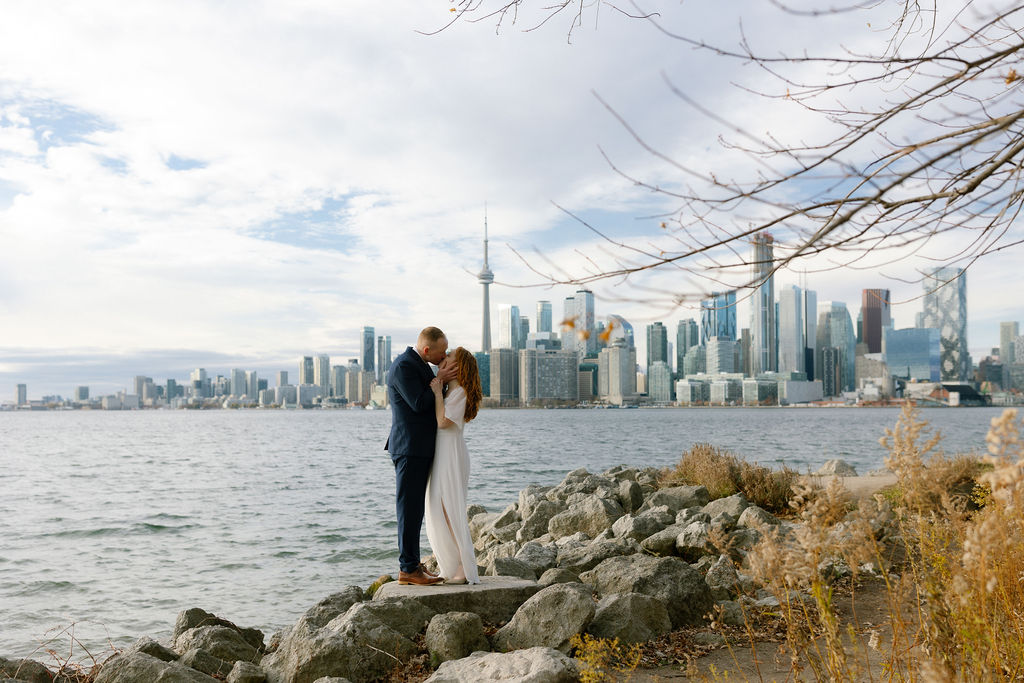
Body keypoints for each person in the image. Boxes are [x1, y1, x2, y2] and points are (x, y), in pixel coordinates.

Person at [385, 326, 456, 586]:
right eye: (442, 351)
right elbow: (418, 403)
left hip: (418, 447)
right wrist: (442, 379)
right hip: (409, 448)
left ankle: (413, 564)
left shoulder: (419, 363)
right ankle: (407, 568)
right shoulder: (404, 366)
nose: (445, 355)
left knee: (415, 509)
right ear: (427, 350)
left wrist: (440, 380)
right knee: (409, 509)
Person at [424, 346, 483, 585]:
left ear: (459, 367)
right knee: (439, 508)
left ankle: (462, 568)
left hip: (451, 455)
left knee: (451, 510)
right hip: (443, 454)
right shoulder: (452, 390)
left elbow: (442, 422)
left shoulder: (459, 393)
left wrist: (437, 392)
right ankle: (450, 564)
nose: (444, 358)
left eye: (449, 356)